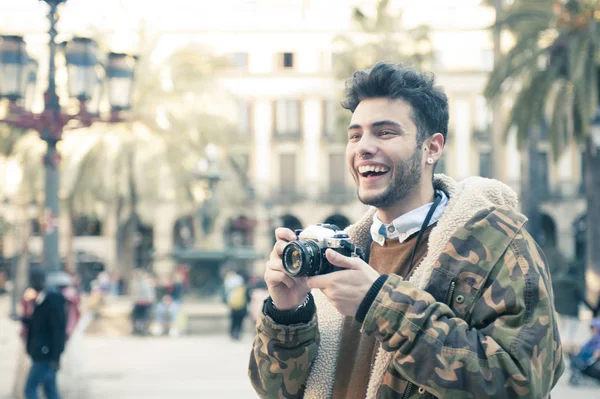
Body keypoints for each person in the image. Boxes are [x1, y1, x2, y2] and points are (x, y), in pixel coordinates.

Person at [249, 62, 564, 398]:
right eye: (355, 135)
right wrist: (288, 315)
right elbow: (277, 391)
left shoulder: (499, 244)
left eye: (385, 132)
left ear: (432, 148)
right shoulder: (342, 252)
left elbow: (522, 382)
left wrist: (380, 304)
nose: (363, 147)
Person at [17, 268, 67, 399]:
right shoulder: (41, 298)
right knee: (50, 390)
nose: (34, 282)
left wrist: (56, 356)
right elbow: (38, 323)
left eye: (36, 279)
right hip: (42, 352)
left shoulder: (53, 300)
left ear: (43, 280)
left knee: (30, 389)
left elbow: (58, 330)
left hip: (45, 353)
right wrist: (22, 319)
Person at [569, 318, 600, 384]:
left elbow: (597, 352)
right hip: (584, 358)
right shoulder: (593, 338)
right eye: (592, 328)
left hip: (590, 360)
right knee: (573, 356)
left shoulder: (598, 339)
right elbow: (584, 346)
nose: (592, 330)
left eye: (594, 328)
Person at [224, 269, 249, 340]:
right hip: (242, 307)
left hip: (233, 307)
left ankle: (232, 333)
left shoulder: (230, 287)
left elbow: (225, 297)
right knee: (240, 321)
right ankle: (238, 333)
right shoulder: (243, 288)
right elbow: (248, 298)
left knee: (233, 320)